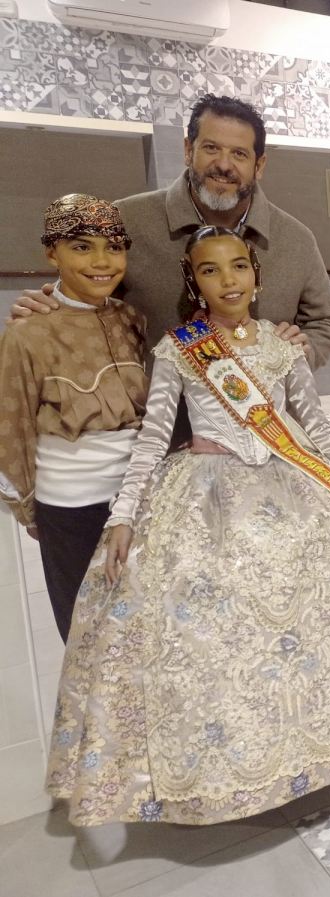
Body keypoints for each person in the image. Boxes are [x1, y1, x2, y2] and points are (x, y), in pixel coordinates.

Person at [45, 226, 330, 826]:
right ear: (192, 280)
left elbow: (317, 428)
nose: (228, 281)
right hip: (205, 495)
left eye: (238, 266)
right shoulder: (181, 349)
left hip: (291, 485)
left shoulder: (283, 347)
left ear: (257, 274)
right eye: (210, 270)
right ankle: (233, 769)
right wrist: (124, 514)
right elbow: (153, 438)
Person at [9, 94, 330, 367]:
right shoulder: (126, 220)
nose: (223, 164)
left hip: (264, 417)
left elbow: (326, 321)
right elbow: (83, 294)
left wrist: (302, 353)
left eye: (239, 154)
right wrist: (50, 308)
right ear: (188, 150)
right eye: (211, 148)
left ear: (259, 165)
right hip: (154, 417)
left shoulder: (296, 239)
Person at [0, 195, 148, 642]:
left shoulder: (131, 320)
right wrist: (29, 510)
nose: (101, 262)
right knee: (86, 632)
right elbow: (11, 429)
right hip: (71, 509)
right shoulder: (28, 333)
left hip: (140, 500)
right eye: (82, 247)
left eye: (114, 247)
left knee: (142, 629)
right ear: (52, 253)